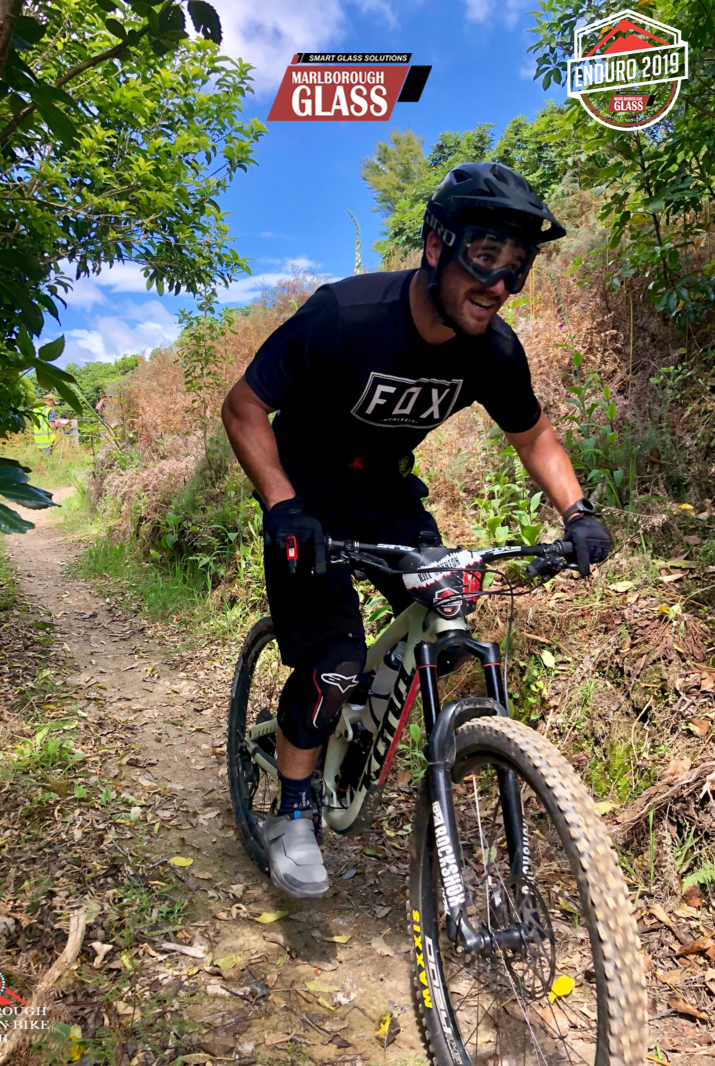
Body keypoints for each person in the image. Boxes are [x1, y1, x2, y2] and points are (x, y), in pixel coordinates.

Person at [221, 162, 612, 900]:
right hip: (303, 495)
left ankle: (375, 734)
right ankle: (294, 809)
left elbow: (534, 436)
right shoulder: (347, 315)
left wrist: (578, 512)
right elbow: (243, 407)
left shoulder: (493, 351)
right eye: (486, 256)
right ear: (436, 246)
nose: (499, 284)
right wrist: (280, 504)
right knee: (334, 659)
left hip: (388, 496)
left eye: (517, 267)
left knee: (450, 610)